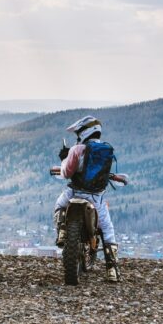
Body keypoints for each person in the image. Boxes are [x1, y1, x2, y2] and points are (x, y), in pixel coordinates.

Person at [53, 115, 119, 282]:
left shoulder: (77, 150)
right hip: (96, 197)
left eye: (78, 133)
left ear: (84, 132)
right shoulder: (107, 150)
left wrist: (64, 159)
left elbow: (66, 173)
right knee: (107, 229)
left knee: (59, 204)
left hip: (75, 193)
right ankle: (112, 270)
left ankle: (62, 232)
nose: (77, 136)